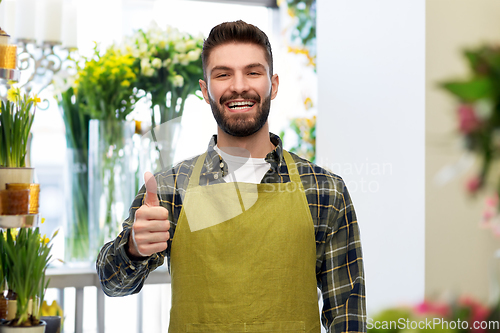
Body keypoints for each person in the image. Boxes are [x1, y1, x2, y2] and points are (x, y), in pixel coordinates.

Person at [96, 20, 366, 333]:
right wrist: (133, 247)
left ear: (273, 85)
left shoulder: (323, 190)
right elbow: (112, 284)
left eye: (253, 72)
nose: (238, 86)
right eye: (223, 74)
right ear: (205, 90)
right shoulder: (171, 188)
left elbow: (348, 319)